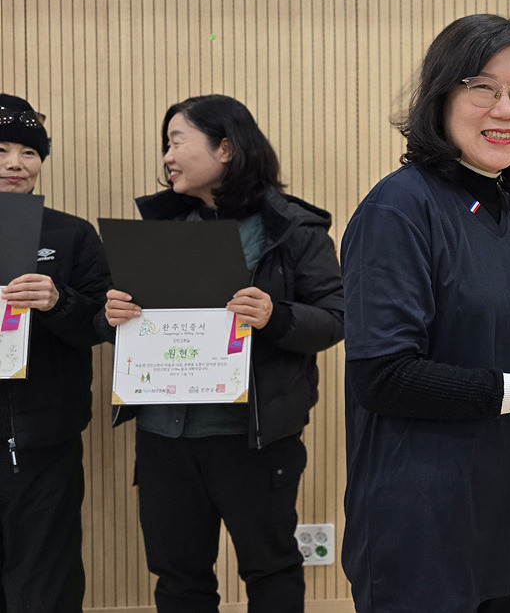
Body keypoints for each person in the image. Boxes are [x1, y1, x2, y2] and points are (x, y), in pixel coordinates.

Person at [341, 14, 510, 613]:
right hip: (423, 514)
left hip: (507, 505)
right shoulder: (398, 208)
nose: (506, 109)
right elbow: (383, 376)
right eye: (483, 88)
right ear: (442, 97)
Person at [103, 95, 344, 613]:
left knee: (271, 569)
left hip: (252, 437)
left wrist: (275, 315)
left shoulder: (293, 228)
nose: (167, 157)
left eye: (176, 142)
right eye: (166, 145)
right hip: (164, 435)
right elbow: (127, 326)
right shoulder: (161, 229)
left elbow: (336, 318)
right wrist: (114, 316)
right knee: (177, 578)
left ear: (227, 148)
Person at [0, 95, 111, 612]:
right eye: (1, 150)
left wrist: (57, 300)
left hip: (45, 436)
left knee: (46, 579)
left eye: (29, 152)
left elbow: (102, 324)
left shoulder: (70, 234)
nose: (15, 164)